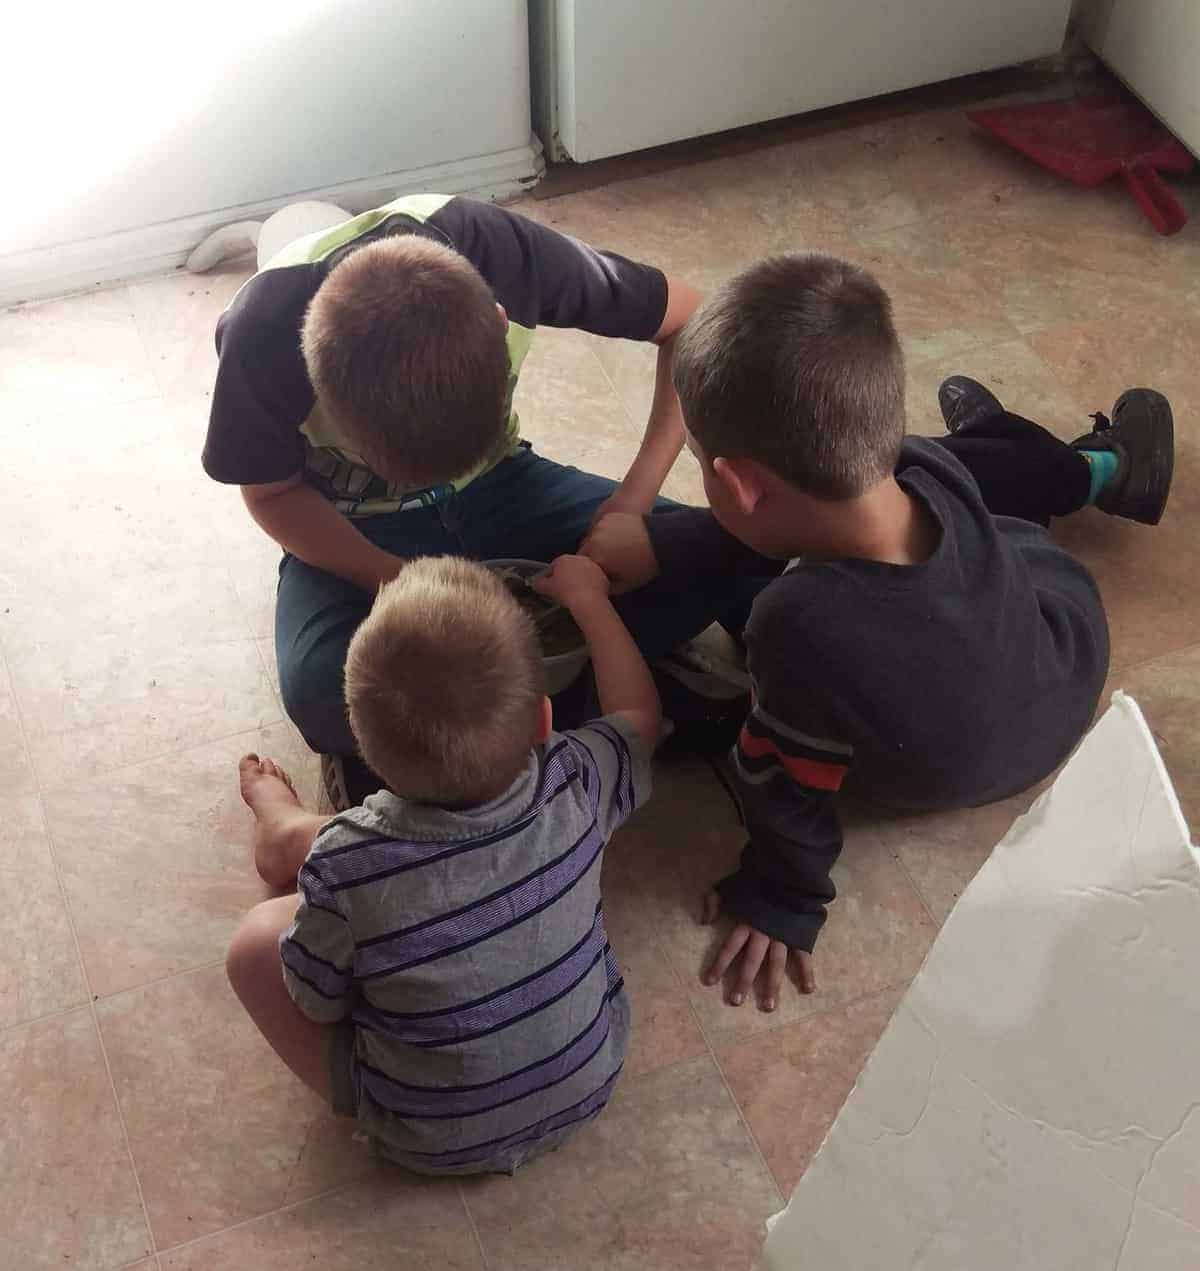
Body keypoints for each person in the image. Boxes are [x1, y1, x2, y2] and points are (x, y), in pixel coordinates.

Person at [580, 253, 1174, 1013]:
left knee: (760, 582)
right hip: (1060, 661)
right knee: (977, 476)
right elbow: (760, 523)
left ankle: (1068, 458)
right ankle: (1057, 456)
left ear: (736, 482)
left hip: (984, 724)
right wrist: (666, 544)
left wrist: (782, 895)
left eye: (700, 466)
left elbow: (784, 781)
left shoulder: (797, 623)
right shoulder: (918, 464)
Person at [201, 193, 752, 805]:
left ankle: (428, 754)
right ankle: (614, 692)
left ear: (498, 318)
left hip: (506, 485)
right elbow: (273, 495)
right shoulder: (261, 336)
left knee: (721, 550)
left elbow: (695, 322)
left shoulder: (505, 253)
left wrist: (633, 501)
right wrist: (390, 576)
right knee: (318, 693)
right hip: (355, 526)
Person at [226, 552, 663, 1176]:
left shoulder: (346, 862)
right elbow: (641, 720)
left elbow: (316, 1000)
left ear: (362, 746)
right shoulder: (578, 779)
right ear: (544, 719)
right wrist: (590, 600)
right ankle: (290, 832)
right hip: (591, 1077)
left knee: (253, 944)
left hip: (430, 1139)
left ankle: (285, 831)